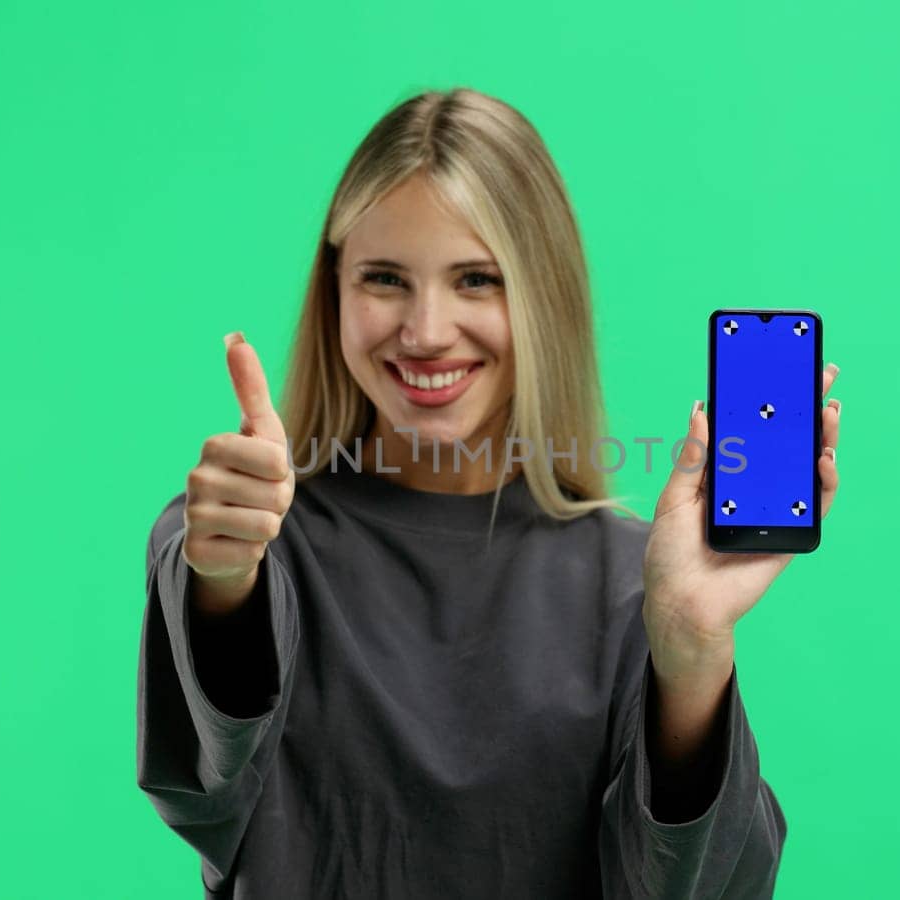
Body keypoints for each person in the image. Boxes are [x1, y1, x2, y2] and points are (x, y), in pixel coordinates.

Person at [136, 87, 844, 899]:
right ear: (332, 287)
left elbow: (698, 887)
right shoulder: (244, 539)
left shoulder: (633, 583)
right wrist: (225, 581)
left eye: (477, 279)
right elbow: (205, 779)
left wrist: (686, 650)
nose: (427, 330)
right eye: (383, 278)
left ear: (544, 296)